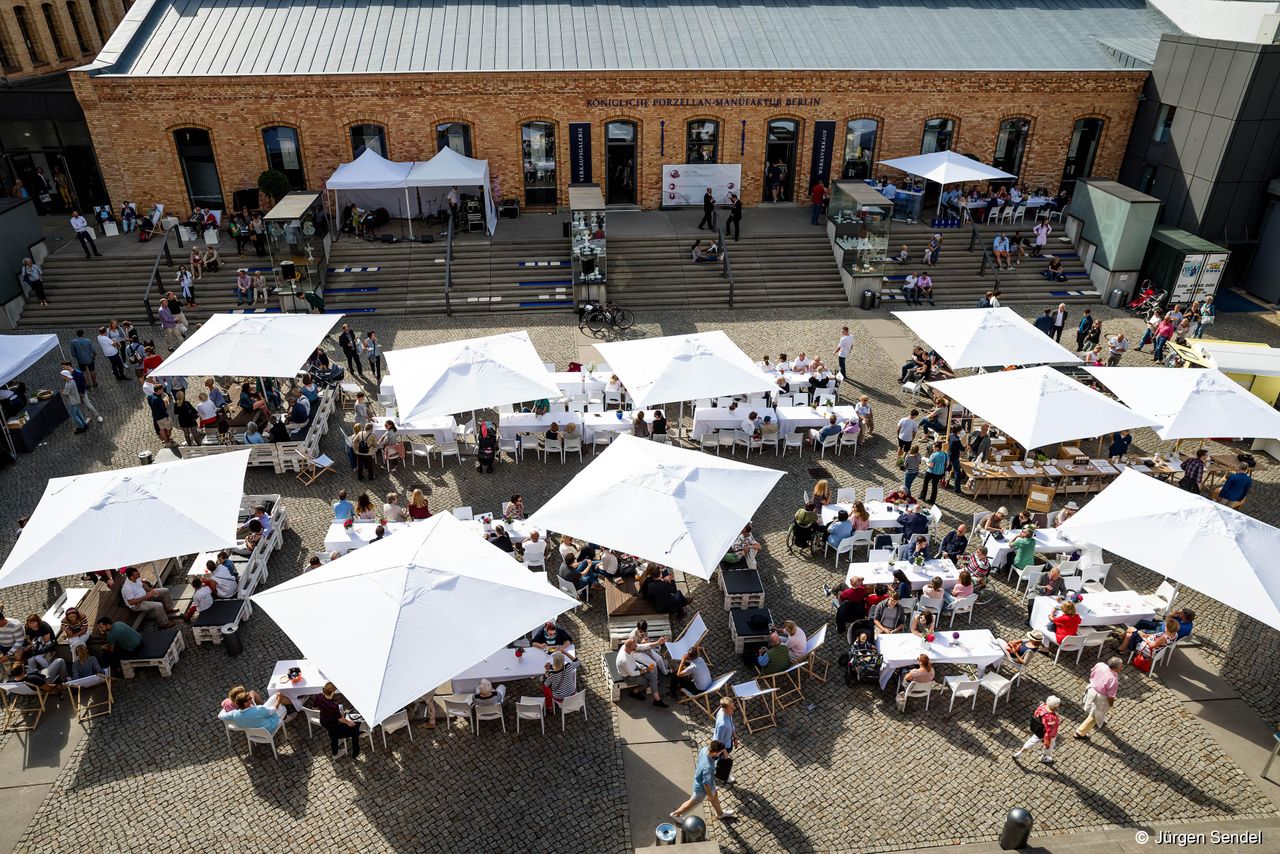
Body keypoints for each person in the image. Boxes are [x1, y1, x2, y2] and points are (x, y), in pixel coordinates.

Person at [671, 739, 735, 822]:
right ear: (716, 753)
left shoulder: (704, 749)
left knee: (715, 797)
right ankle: (676, 814)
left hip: (705, 781)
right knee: (692, 802)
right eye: (720, 752)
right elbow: (706, 784)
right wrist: (709, 795)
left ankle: (720, 814)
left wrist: (712, 792)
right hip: (702, 788)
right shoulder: (708, 768)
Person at [1074, 657, 1123, 740]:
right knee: (1094, 715)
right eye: (1121, 666)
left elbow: (1092, 673)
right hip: (1101, 697)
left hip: (1091, 689)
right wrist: (1110, 705)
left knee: (1092, 707)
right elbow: (1110, 696)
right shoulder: (1113, 680)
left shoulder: (1100, 665)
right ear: (1115, 668)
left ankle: (1097, 720)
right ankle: (1079, 733)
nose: (1122, 668)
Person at [314, 682, 361, 757]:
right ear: (332, 692)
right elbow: (340, 718)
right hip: (333, 724)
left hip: (323, 720)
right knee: (354, 731)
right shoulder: (333, 706)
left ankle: (336, 751)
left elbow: (315, 706)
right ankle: (347, 753)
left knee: (333, 735)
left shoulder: (318, 696)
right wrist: (349, 722)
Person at [616, 638, 667, 707]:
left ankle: (657, 700)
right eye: (634, 645)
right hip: (629, 676)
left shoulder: (627, 647)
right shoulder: (623, 660)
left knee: (652, 676)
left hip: (635, 666)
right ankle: (634, 692)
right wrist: (645, 670)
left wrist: (658, 642)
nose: (637, 646)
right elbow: (632, 673)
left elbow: (643, 646)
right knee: (648, 682)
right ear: (629, 647)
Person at [1014, 695, 1062, 763]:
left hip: (1039, 728)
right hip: (1046, 732)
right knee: (1049, 746)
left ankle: (1019, 753)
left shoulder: (1042, 706)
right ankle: (1044, 757)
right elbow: (1051, 730)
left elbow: (1036, 713)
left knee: (1032, 741)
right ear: (1055, 707)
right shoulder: (1052, 718)